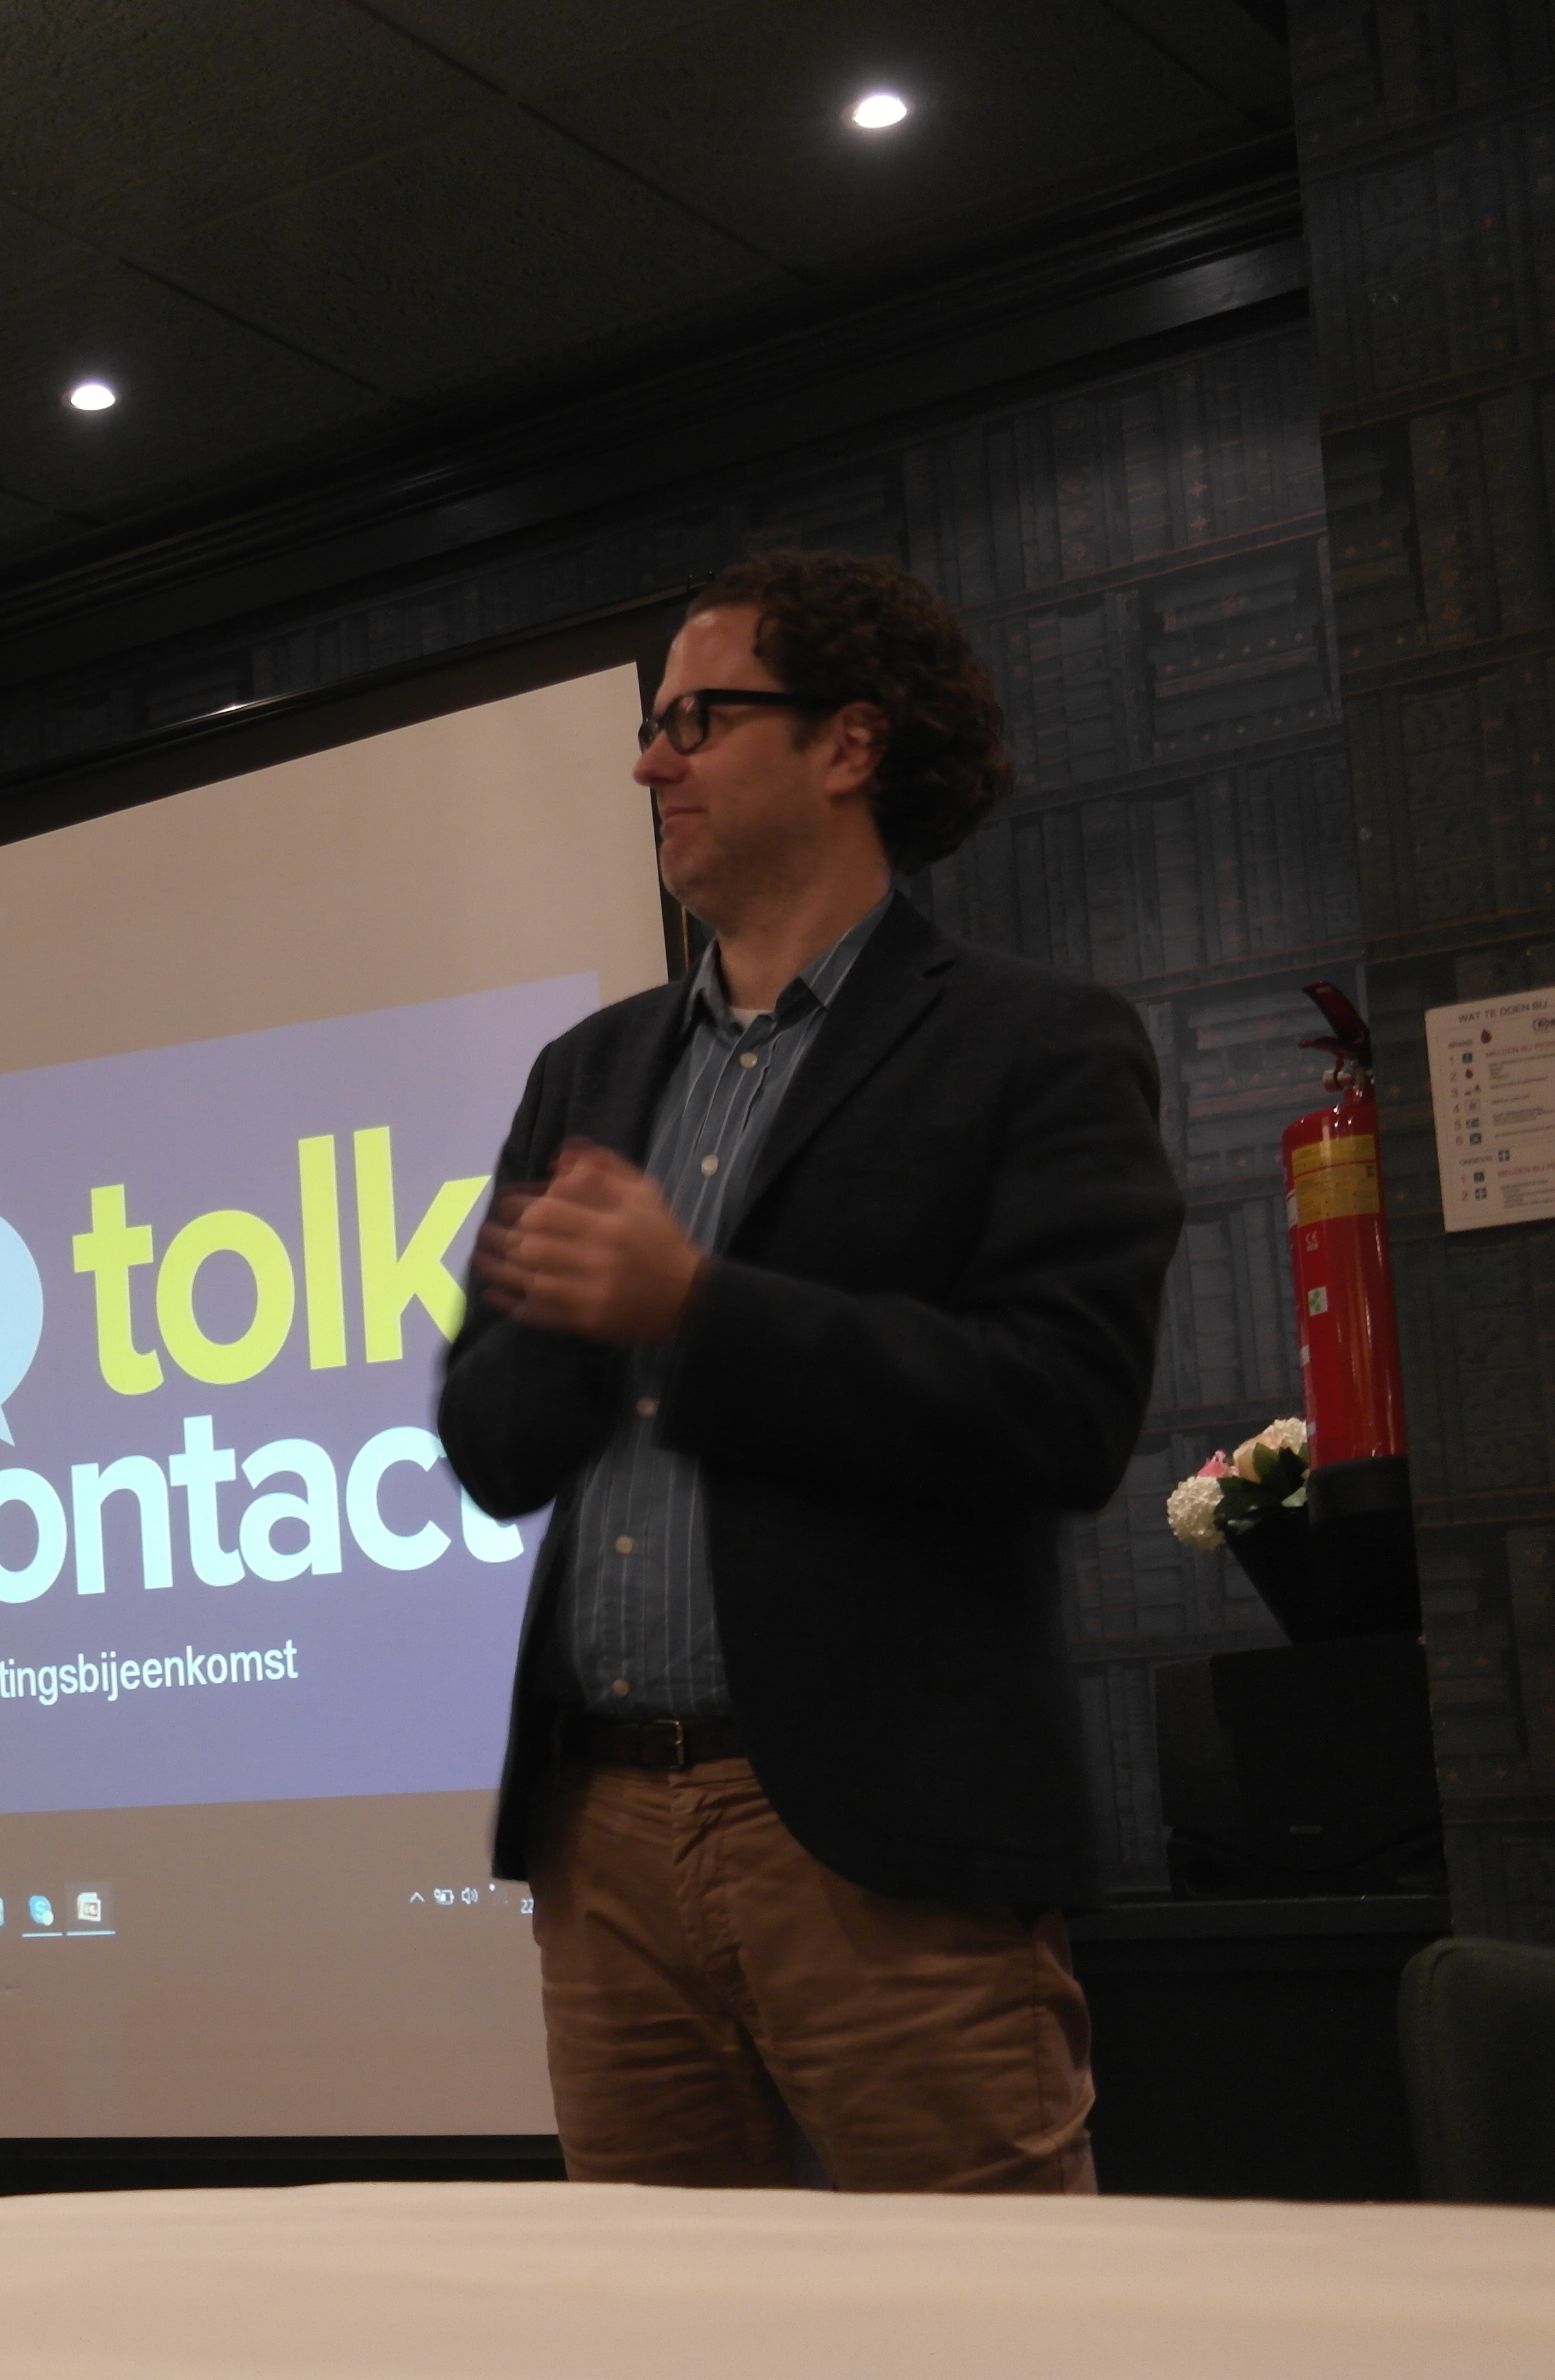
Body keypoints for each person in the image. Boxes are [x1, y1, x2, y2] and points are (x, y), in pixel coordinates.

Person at [435, 550, 1183, 2192]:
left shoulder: (1034, 1045)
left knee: (985, 2311)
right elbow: (488, 1446)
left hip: (877, 1839)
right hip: (604, 1835)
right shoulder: (588, 1071)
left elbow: (1060, 1411)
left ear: (849, 744)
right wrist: (576, 1321)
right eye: (652, 727)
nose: (651, 763)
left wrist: (695, 1307)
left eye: (696, 720)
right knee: (659, 2319)